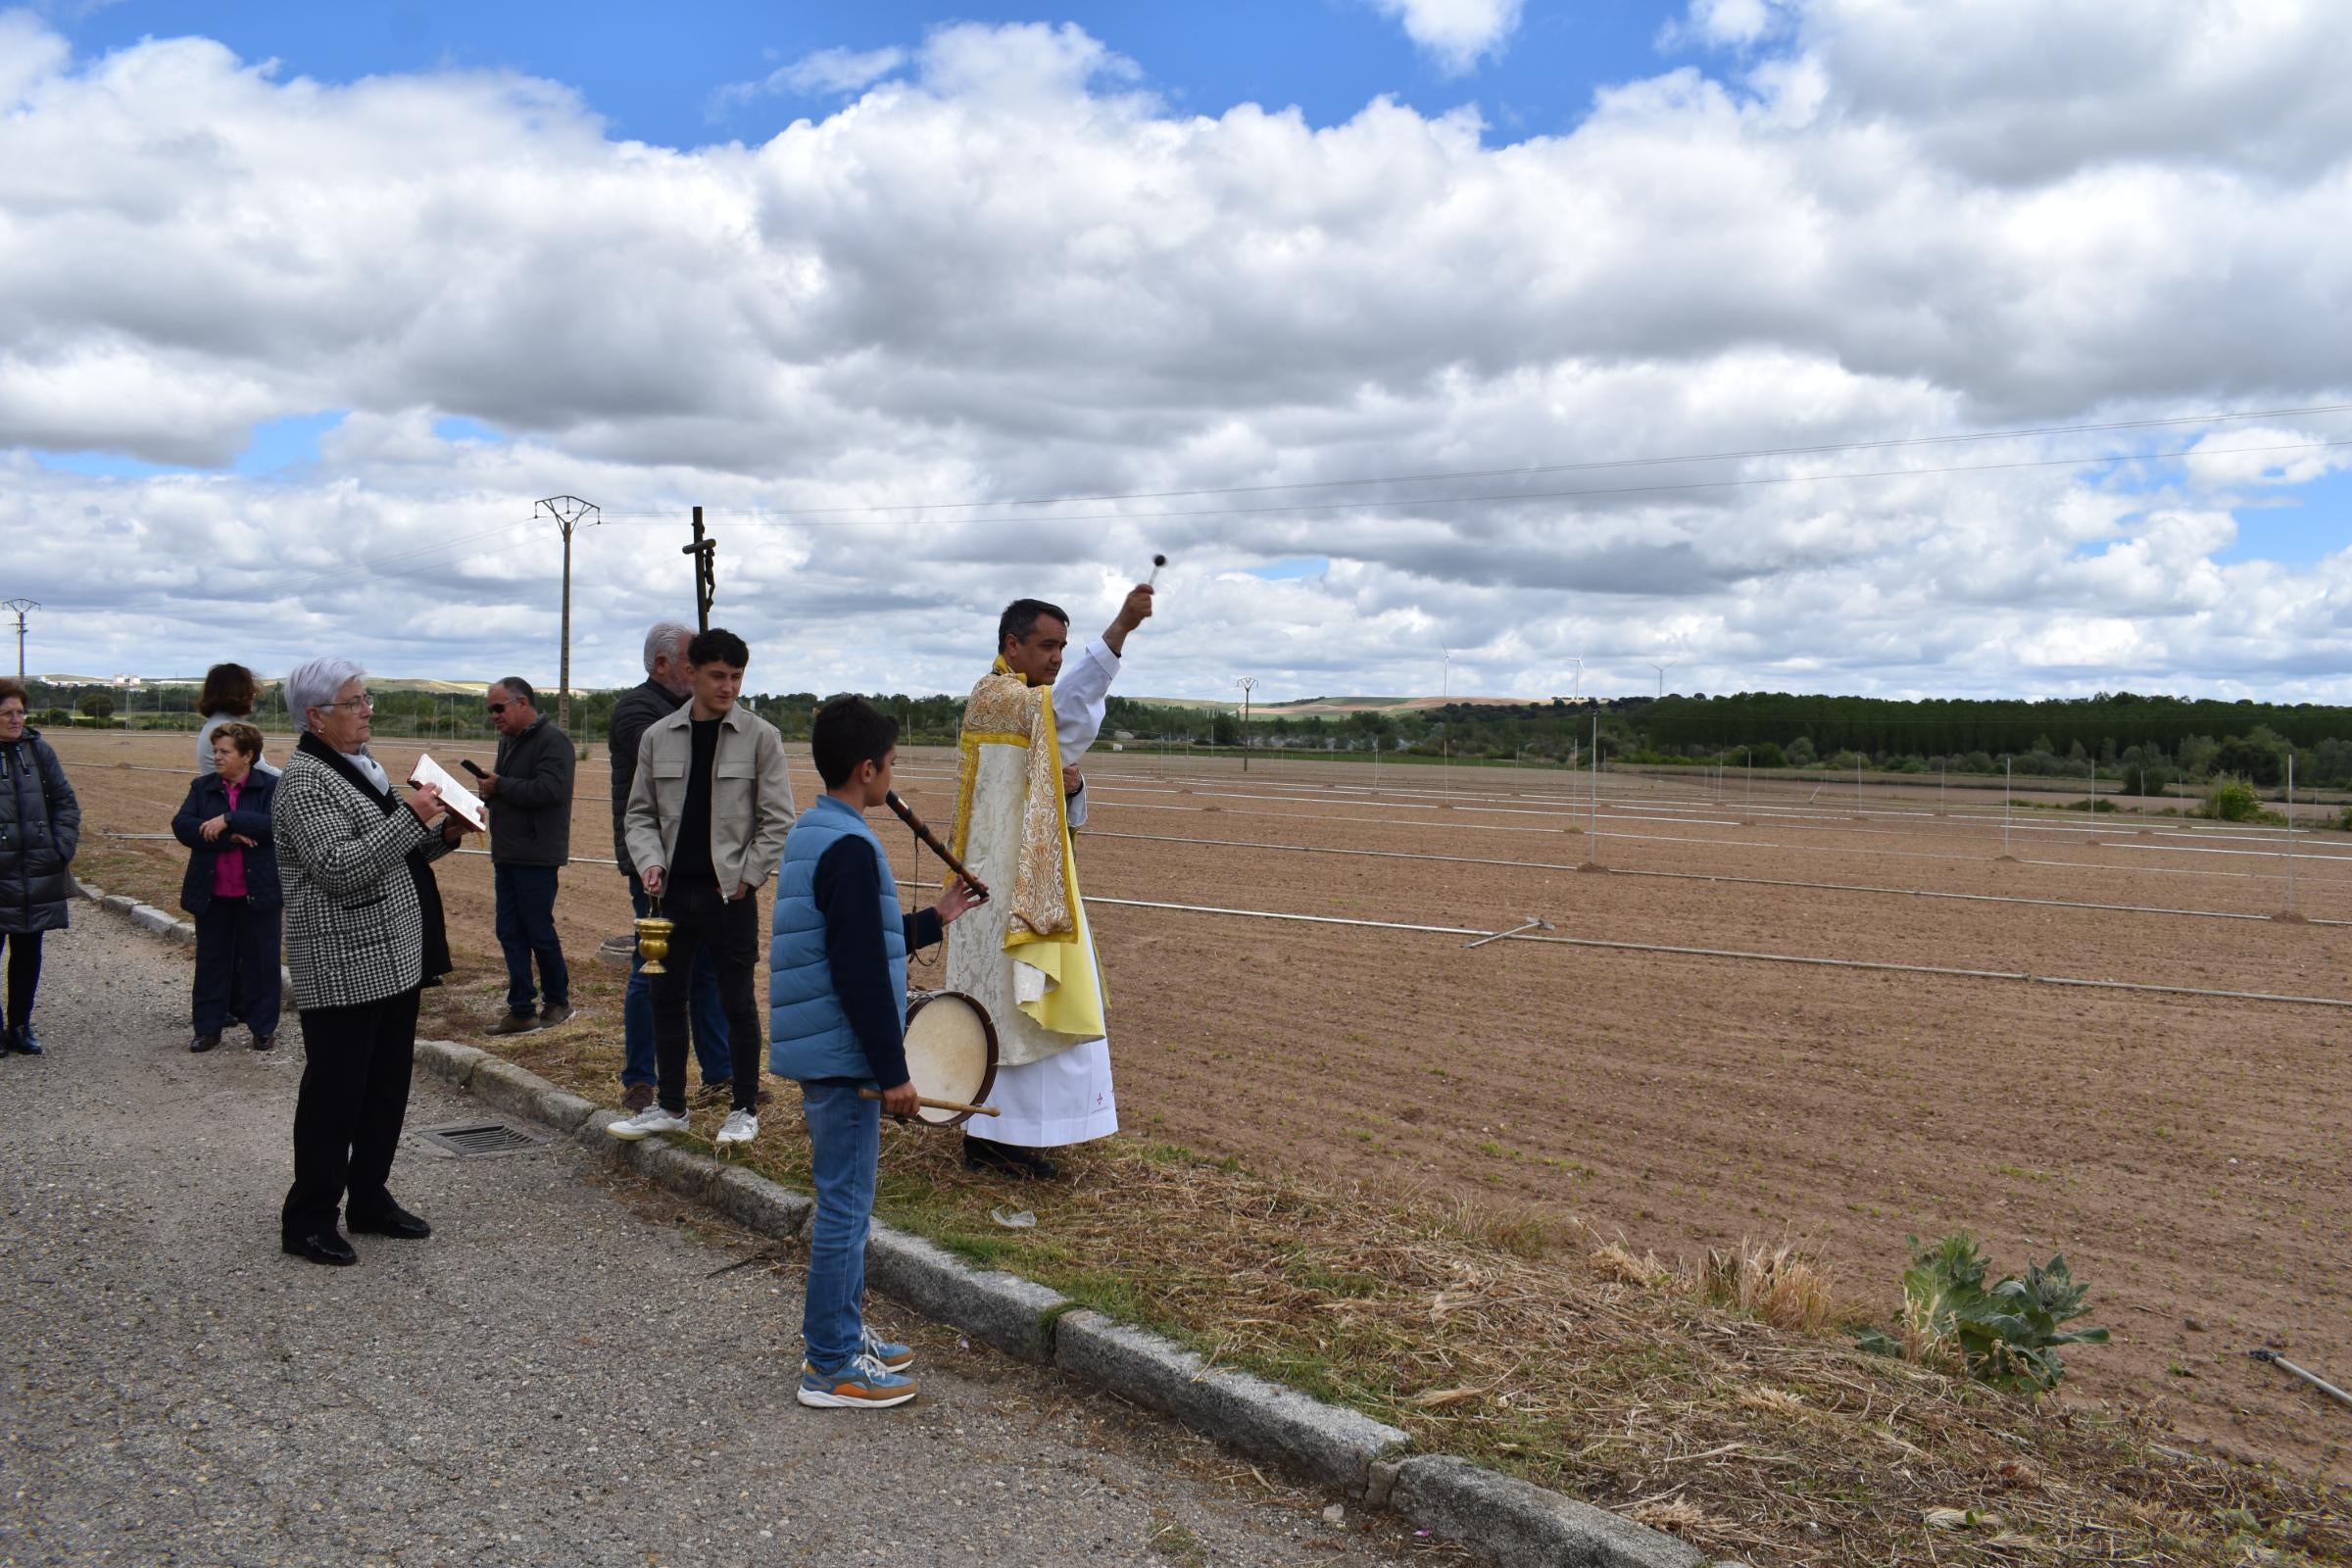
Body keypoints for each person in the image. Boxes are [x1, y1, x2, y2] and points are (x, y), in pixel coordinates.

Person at [770, 698, 977, 1407]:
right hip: (842, 1055)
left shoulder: (818, 829)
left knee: (846, 1204)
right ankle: (830, 1365)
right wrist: (894, 1073)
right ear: (868, 769)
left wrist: (936, 918)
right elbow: (858, 970)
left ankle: (843, 1330)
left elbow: (861, 936)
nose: (894, 775)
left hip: (825, 1048)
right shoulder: (852, 846)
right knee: (845, 1209)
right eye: (891, 764)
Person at [946, 586, 1152, 1178]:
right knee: (1012, 1011)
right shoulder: (1000, 698)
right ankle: (992, 1139)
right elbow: (1067, 714)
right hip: (999, 889)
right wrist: (1118, 632)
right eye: (1047, 645)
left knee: (1030, 1007)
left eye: (1063, 645)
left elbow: (1060, 811)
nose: (1057, 657)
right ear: (1012, 645)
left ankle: (1012, 1136)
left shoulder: (1028, 705)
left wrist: (1074, 788)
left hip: (1033, 880)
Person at [274, 659, 473, 1266]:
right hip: (341, 964)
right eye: (354, 702)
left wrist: (446, 833)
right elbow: (339, 867)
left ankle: (368, 1198)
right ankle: (308, 1218)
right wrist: (410, 815)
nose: (367, 710)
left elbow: (396, 851)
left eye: (365, 699)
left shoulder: (361, 767)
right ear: (317, 716)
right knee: (335, 1096)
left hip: (393, 958)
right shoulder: (305, 782)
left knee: (385, 1089)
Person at [612, 627, 795, 1149]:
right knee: (665, 998)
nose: (729, 687)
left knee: (737, 1001)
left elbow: (777, 819)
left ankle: (743, 1108)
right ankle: (671, 1106)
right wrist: (650, 863)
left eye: (737, 677)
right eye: (718, 676)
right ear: (692, 674)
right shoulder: (657, 736)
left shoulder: (763, 737)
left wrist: (747, 879)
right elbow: (640, 814)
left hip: (729, 898)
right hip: (670, 898)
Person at [608, 621, 734, 1111]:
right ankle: (641, 1079)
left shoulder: (681, 710)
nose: (701, 675)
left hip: (697, 861)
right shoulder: (637, 711)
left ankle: (720, 1074)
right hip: (655, 863)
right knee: (651, 968)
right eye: (692, 665)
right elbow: (675, 765)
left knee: (703, 970)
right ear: (662, 665)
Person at [171, 722, 282, 1053]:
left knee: (262, 963)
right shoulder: (202, 787)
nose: (216, 757)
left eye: (224, 751)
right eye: (215, 750)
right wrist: (229, 837)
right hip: (213, 892)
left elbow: (277, 825)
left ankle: (262, 1028)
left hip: (258, 891)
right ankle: (208, 1028)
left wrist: (230, 819)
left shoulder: (272, 788)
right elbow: (183, 825)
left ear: (247, 755)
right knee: (211, 962)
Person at [480, 676, 576, 1034]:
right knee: (509, 931)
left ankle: (558, 1001)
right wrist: (485, 796)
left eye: (498, 707)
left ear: (522, 703)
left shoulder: (554, 741)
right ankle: (521, 1010)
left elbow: (552, 790)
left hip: (537, 854)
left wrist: (500, 785)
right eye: (490, 709)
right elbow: (506, 787)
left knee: (537, 930)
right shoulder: (509, 740)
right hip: (507, 852)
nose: (493, 716)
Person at [0, 679, 78, 1056]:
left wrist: (60, 848)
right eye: (7, 713)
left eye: (20, 712)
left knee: (29, 951)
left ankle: (20, 1024)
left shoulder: (38, 751)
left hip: (36, 870)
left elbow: (65, 800)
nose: (17, 719)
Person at [195, 662, 279, 778]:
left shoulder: (215, 723)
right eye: (251, 691)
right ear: (240, 694)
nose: (253, 696)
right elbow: (264, 772)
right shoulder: (229, 729)